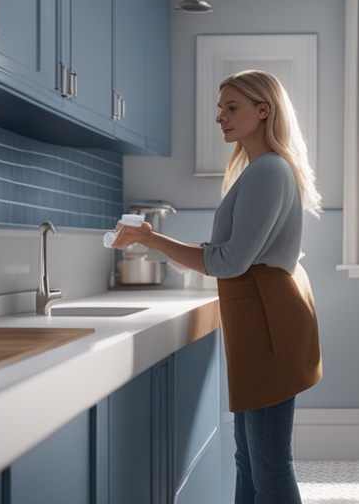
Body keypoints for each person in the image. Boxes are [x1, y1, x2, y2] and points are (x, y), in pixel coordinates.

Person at [111, 69, 323, 504]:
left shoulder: (267, 171)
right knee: (251, 456)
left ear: (263, 111)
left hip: (266, 323)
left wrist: (151, 238)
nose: (220, 117)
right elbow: (231, 255)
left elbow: (229, 260)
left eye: (231, 107)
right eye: (219, 108)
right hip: (261, 318)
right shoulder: (261, 169)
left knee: (266, 459)